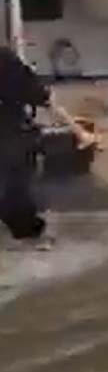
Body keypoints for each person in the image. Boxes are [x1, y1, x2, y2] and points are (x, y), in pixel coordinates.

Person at [0, 46, 50, 240]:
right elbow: (37, 94)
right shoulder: (6, 59)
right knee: (18, 167)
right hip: (9, 133)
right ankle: (20, 220)